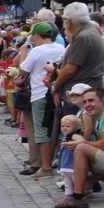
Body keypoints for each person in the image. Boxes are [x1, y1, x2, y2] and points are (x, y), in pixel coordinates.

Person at [20, 22, 66, 179]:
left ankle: (46, 167)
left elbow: (23, 71)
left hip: (39, 93)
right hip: (56, 93)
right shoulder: (61, 48)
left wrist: (23, 53)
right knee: (58, 130)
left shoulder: (37, 51)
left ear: (36, 36)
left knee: (41, 131)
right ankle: (59, 164)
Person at [55, 85, 104, 208]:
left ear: (102, 102)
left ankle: (77, 197)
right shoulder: (97, 120)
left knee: (81, 148)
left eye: (91, 101)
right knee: (73, 155)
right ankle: (85, 190)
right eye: (84, 102)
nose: (87, 105)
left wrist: (83, 143)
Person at [54, 2, 104, 99]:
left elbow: (70, 69)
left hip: (80, 93)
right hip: (88, 89)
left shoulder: (82, 37)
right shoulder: (91, 31)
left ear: (69, 21)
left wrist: (55, 85)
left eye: (64, 19)